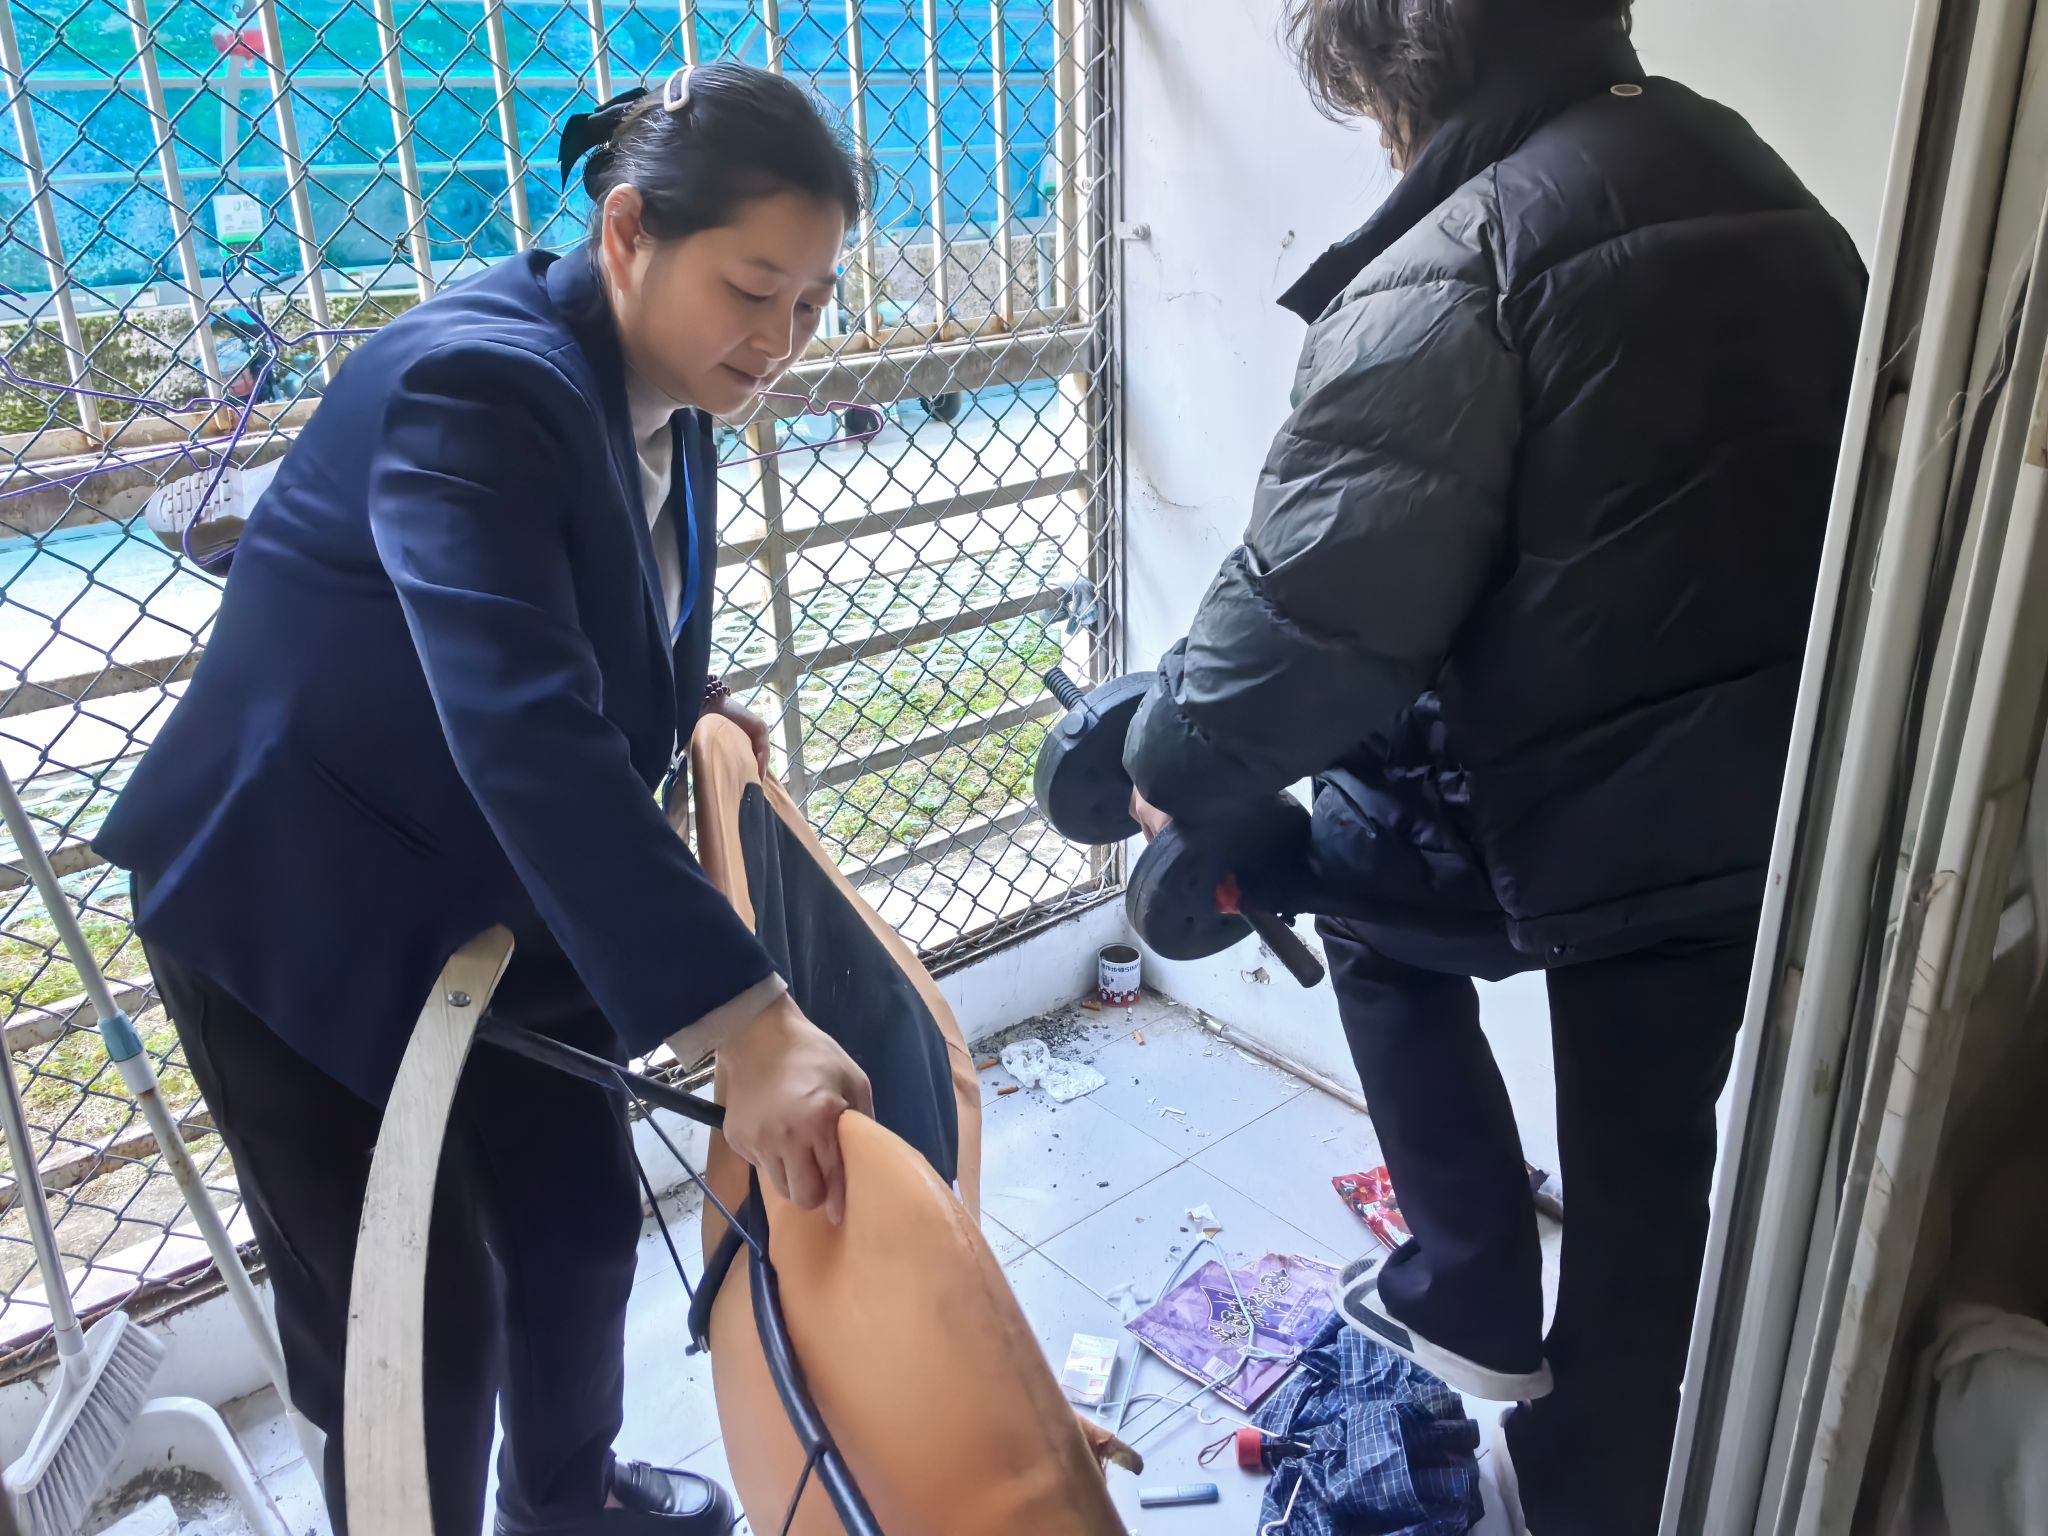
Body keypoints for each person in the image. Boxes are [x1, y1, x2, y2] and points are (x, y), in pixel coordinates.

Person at [96, 62, 875, 1536]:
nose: (782, 340)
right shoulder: (475, 382)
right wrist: (751, 1023)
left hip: (494, 892)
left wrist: (683, 704)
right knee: (415, 1332)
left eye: (814, 301)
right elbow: (521, 719)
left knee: (578, 1238)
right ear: (629, 231)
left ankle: (565, 1509)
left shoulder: (667, 381)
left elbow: (564, 620)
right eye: (754, 289)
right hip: (302, 908)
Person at [1121, 3, 1866, 1531]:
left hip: (1557, 820)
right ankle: (1598, 1482)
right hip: (1773, 795)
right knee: (1647, 1165)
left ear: (1408, 70)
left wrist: (1166, 760)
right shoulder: (1759, 181)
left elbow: (1305, 633)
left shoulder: (1458, 261)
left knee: (1361, 906)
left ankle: (1465, 1284)